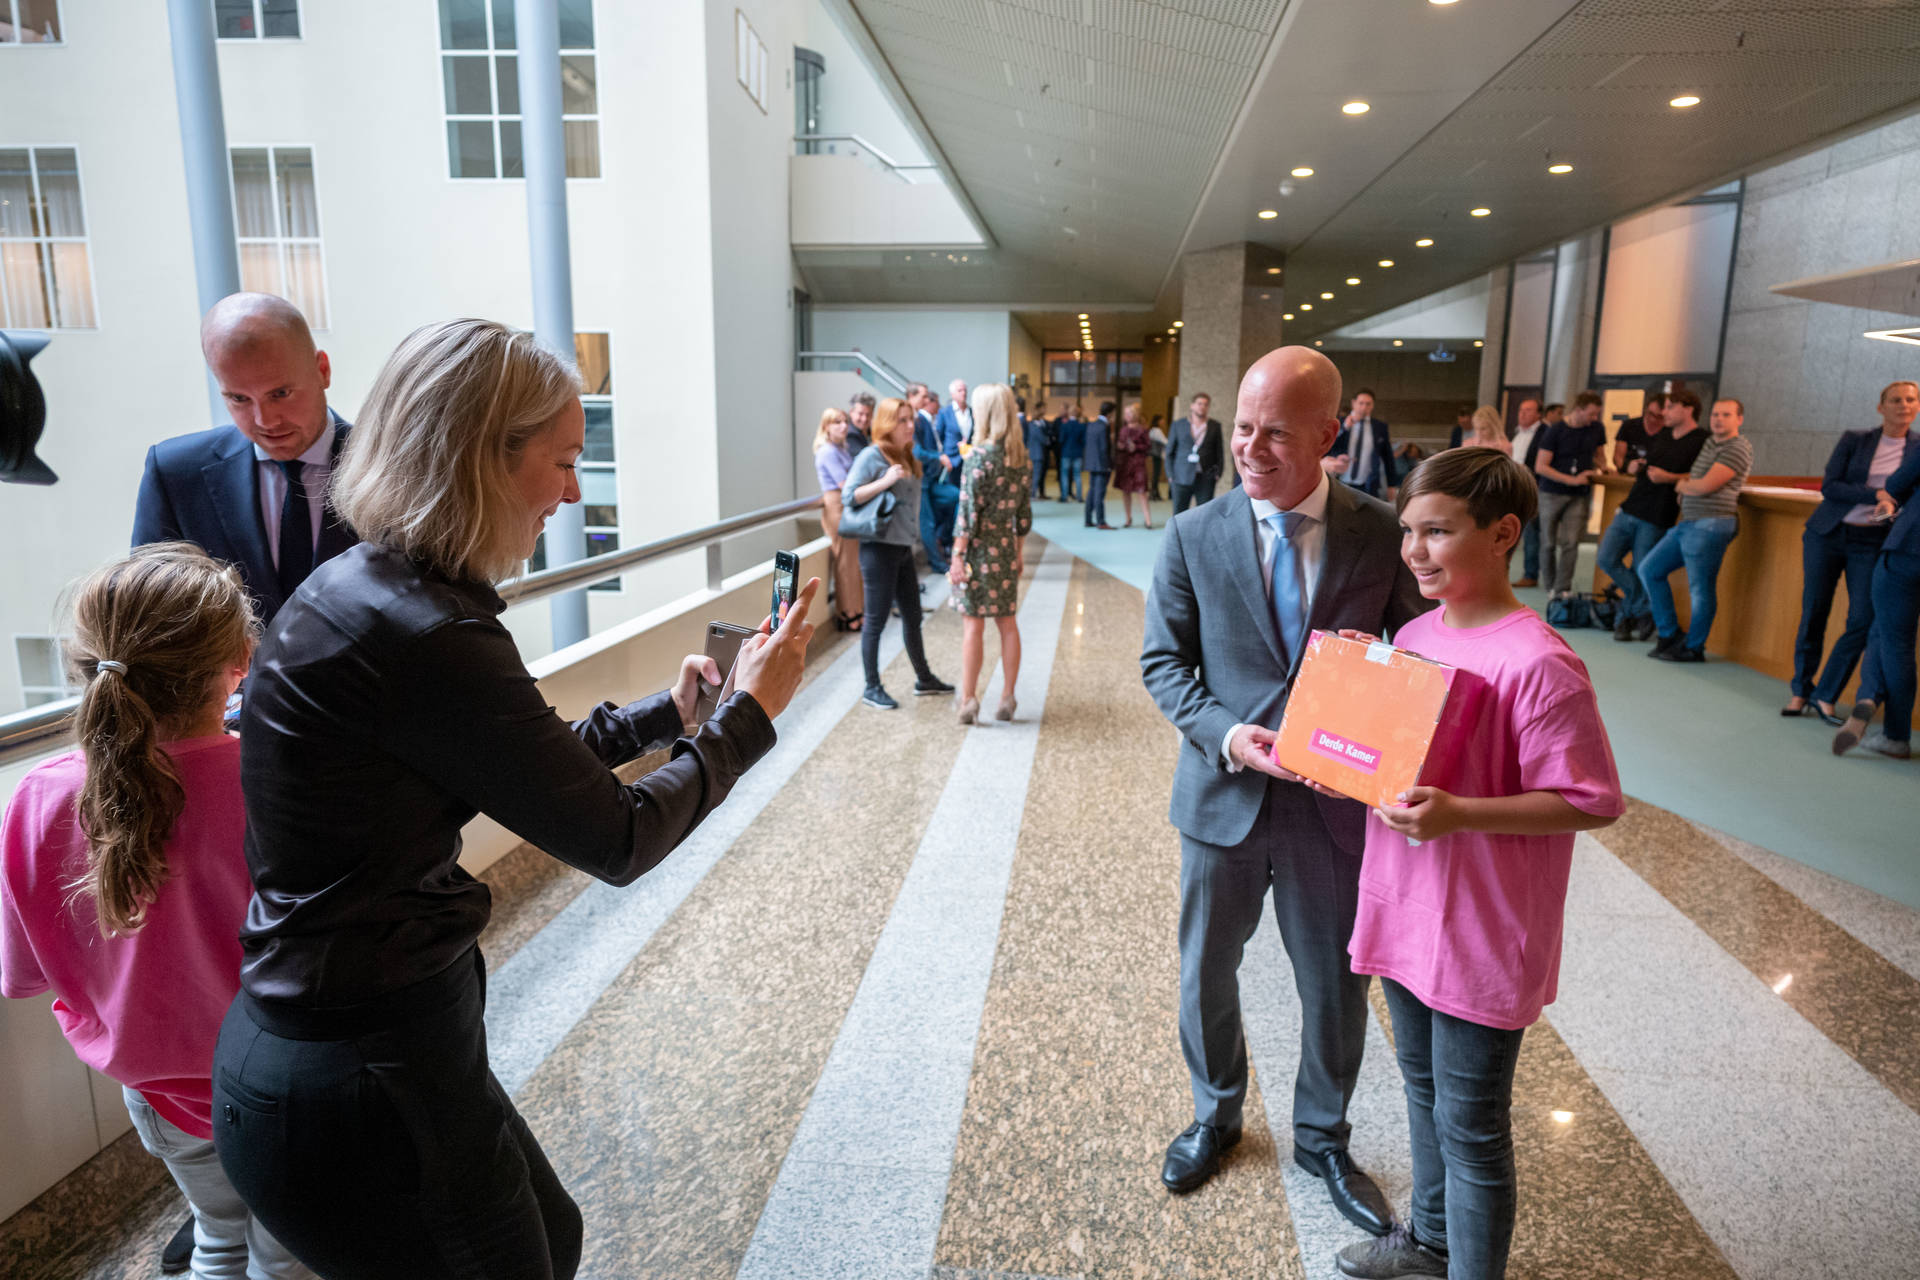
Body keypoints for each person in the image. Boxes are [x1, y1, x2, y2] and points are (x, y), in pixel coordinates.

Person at [208, 319, 820, 1280]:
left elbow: (511, 760)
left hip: (351, 1054)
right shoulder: (422, 630)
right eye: (565, 461)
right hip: (359, 1076)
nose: (575, 491)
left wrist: (675, 712)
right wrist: (749, 717)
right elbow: (617, 837)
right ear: (482, 458)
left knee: (554, 1238)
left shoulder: (367, 589)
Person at [1140, 345, 1427, 1233]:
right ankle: (1216, 1114)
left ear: (1329, 435)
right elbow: (1163, 663)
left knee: (1335, 986)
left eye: (1276, 434)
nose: (1252, 450)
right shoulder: (1193, 534)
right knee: (1205, 971)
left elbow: (1421, 657)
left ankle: (1322, 1136)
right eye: (1245, 430)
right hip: (1222, 798)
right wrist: (1230, 734)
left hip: (1332, 811)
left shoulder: (1382, 532)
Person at [1335, 448, 1623, 1280]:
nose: (1414, 552)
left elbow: (1591, 799)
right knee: (1422, 1095)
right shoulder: (1417, 634)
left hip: (1482, 931)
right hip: (1406, 906)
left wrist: (1462, 815)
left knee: (1473, 1129)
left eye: (1437, 532)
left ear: (1502, 534)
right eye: (1409, 533)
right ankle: (1428, 1244)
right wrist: (1356, 693)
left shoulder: (1538, 663)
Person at [1, 545, 312, 1280]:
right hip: (278, 1094)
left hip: (155, 1098)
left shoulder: (38, 799)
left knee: (220, 1237)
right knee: (286, 1256)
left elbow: (23, 976)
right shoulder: (276, 786)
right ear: (241, 658)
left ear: (86, 662)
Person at [132, 293, 356, 628]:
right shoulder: (175, 474)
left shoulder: (394, 467)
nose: (265, 420)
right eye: (238, 399)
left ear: (322, 370)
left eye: (280, 393)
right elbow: (145, 618)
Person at [1787, 381, 1919, 720]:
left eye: (1910, 399)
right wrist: (1876, 494)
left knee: (1862, 619)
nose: (1903, 405)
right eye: (1895, 400)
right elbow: (1830, 486)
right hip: (1828, 534)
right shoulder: (1855, 440)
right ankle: (1800, 691)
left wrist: (1892, 505)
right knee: (1814, 610)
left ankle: (1825, 694)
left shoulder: (1918, 448)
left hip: (1872, 541)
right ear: (1881, 407)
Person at [844, 395, 956, 711]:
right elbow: (849, 495)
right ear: (887, 423)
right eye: (903, 421)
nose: (910, 426)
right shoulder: (872, 455)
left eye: (911, 420)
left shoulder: (908, 455)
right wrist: (885, 481)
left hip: (903, 548)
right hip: (878, 549)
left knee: (913, 616)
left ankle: (924, 678)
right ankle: (871, 687)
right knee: (876, 621)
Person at [1639, 397, 1754, 662]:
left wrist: (1681, 487)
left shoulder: (1737, 447)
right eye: (1715, 414)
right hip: (1689, 522)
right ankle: (1669, 634)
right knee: (1649, 569)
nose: (1718, 419)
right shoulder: (1711, 443)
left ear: (1739, 419)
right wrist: (1688, 486)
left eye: (1726, 415)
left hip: (1711, 524)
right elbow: (1695, 481)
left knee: (1700, 589)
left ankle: (1693, 647)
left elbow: (1704, 486)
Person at [948, 384, 1033, 724]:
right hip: (1006, 549)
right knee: (1008, 624)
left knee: (973, 626)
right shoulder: (1019, 458)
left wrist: (957, 555)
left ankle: (969, 700)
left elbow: (967, 517)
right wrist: (1018, 552)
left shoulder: (978, 458)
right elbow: (1024, 515)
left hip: (978, 552)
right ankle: (1008, 698)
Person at [1833, 439, 1920, 759]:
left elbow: (1897, 482)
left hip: (1908, 550)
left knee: (1892, 638)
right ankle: (1870, 696)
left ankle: (1893, 732)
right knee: (1884, 633)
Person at [1598, 390, 1704, 642]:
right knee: (1606, 558)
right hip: (1631, 506)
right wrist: (1632, 467)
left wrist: (1669, 478)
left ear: (1687, 408)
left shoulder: (1702, 440)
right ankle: (1643, 608)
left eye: (1669, 407)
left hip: (1658, 514)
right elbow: (1647, 463)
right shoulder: (1664, 435)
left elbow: (1698, 477)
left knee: (1642, 567)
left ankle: (1626, 619)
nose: (1665, 413)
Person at [1532, 391, 1609, 598]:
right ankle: (1550, 586)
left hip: (1579, 495)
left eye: (1597, 415)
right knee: (1548, 542)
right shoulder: (1556, 431)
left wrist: (1605, 468)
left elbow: (1600, 456)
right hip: (1551, 493)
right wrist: (1571, 480)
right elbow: (1541, 466)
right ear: (1578, 409)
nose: (1594, 419)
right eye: (1591, 414)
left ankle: (1563, 587)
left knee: (1571, 542)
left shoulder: (1596, 429)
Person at [812, 406, 864, 632]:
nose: (844, 426)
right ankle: (848, 612)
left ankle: (856, 608)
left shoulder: (841, 448)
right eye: (837, 422)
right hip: (836, 506)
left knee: (853, 561)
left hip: (846, 505)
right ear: (826, 427)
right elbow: (846, 484)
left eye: (845, 421)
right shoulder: (827, 451)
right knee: (845, 562)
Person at [909, 382, 957, 572]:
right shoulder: (914, 420)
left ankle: (945, 542)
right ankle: (938, 563)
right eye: (924, 396)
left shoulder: (921, 419)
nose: (927, 399)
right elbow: (917, 451)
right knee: (926, 522)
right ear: (912, 396)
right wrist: (939, 457)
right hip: (920, 479)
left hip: (932, 478)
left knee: (955, 497)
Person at [1323, 389, 1397, 499]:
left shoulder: (1380, 427)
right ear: (1353, 403)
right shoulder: (1339, 422)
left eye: (1368, 404)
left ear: (1373, 405)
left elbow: (1388, 457)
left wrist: (1391, 485)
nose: (1364, 407)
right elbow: (1326, 446)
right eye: (1361, 403)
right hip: (1339, 480)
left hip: (1368, 484)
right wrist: (1344, 428)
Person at [1508, 398, 1546, 588]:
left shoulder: (1544, 432)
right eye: (1521, 410)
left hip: (1534, 489)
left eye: (1528, 410)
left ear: (1538, 414)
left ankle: (1531, 574)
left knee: (1531, 534)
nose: (1522, 414)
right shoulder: (1517, 433)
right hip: (1515, 488)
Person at [1166, 393, 1224, 514]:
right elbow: (1169, 453)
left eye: (1205, 404)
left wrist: (1218, 473)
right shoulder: (1178, 425)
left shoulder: (1215, 426)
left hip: (1206, 477)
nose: (1202, 407)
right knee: (1179, 514)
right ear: (1192, 406)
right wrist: (1171, 475)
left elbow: (1219, 452)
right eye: (1199, 404)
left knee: (1204, 514)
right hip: (1180, 477)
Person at [1114, 402, 1155, 528]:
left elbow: (1148, 446)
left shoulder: (1142, 429)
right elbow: (1120, 444)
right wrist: (1120, 446)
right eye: (1125, 413)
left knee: (1142, 492)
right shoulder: (1123, 429)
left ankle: (1148, 520)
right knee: (1126, 492)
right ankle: (1128, 518)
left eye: (1129, 413)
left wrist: (1136, 447)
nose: (1126, 415)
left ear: (1135, 414)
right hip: (1125, 464)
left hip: (1138, 464)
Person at [1612, 391, 1668, 472]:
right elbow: (1618, 457)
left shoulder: (1670, 431)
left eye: (1659, 417)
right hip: (1628, 475)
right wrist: (1627, 467)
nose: (1653, 420)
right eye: (1650, 414)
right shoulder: (1630, 425)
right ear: (1646, 409)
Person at [1084, 400, 1115, 529]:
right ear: (1110, 413)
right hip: (1102, 464)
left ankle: (1088, 519)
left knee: (1092, 491)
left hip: (1092, 463)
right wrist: (1108, 464)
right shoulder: (1104, 426)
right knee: (1099, 493)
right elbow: (1104, 448)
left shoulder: (1092, 425)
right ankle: (1101, 521)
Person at [937, 379, 973, 454]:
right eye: (960, 391)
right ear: (952, 394)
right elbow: (939, 436)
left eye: (965, 390)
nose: (963, 393)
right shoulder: (944, 412)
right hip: (952, 457)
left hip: (969, 455)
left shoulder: (972, 411)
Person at [1059, 404, 1087, 503]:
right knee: (1077, 475)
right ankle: (1079, 497)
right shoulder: (1081, 426)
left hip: (1066, 452)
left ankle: (1064, 496)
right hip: (1077, 453)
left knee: (1065, 475)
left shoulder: (1064, 425)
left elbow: (1061, 439)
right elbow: (1084, 441)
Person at [1025, 401, 1052, 499]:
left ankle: (1039, 493)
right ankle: (1032, 494)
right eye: (1044, 408)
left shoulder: (1042, 423)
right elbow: (1042, 438)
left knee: (1040, 475)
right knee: (1036, 475)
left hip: (1042, 453)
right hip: (1037, 453)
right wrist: (1048, 440)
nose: (1045, 410)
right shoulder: (1033, 424)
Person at [1148, 413, 1169, 499]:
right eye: (1162, 420)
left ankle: (1155, 493)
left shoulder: (1153, 430)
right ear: (1158, 421)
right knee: (1156, 474)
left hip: (1155, 454)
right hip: (1157, 455)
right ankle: (1154, 493)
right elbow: (1165, 442)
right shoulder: (1157, 430)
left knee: (1155, 474)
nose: (1163, 422)